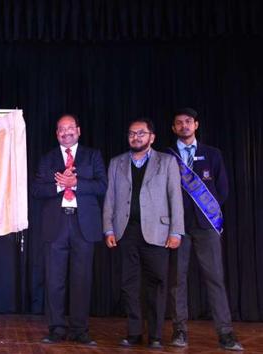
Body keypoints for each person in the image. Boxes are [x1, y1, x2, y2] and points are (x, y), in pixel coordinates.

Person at [102, 118, 184, 349]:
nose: (135, 137)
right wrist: (108, 227)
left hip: (158, 232)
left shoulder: (166, 162)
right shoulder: (116, 163)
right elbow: (110, 198)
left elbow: (175, 198)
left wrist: (176, 231)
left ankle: (156, 335)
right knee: (129, 285)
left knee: (156, 284)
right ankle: (134, 332)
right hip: (125, 232)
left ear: (152, 137)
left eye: (141, 133)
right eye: (131, 133)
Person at [167, 108, 243, 351]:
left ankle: (226, 333)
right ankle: (179, 331)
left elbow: (222, 190)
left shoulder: (213, 154)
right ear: (173, 128)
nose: (184, 126)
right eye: (179, 123)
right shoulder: (167, 157)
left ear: (196, 125)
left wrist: (207, 212)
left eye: (188, 122)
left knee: (215, 280)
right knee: (177, 281)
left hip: (206, 226)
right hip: (177, 227)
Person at [32, 114, 107, 346]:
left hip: (83, 225)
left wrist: (75, 183)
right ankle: (56, 328)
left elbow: (103, 186)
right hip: (56, 226)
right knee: (54, 280)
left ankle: (79, 330)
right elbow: (36, 190)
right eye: (61, 129)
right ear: (57, 134)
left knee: (81, 279)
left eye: (70, 128)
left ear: (79, 130)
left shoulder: (93, 156)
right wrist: (59, 185)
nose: (66, 132)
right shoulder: (47, 159)